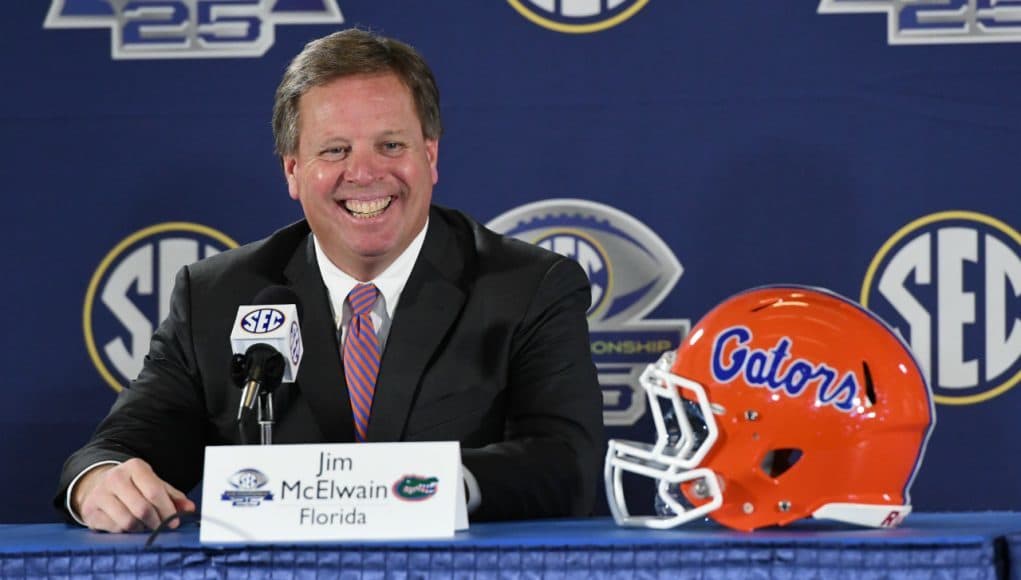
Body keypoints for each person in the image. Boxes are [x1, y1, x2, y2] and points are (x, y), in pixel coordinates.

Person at [56, 27, 604, 532]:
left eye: (391, 145)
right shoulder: (218, 297)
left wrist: (418, 490)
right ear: (293, 170)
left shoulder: (528, 287)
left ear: (430, 156)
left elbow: (567, 464)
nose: (364, 173)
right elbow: (119, 448)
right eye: (334, 150)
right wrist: (101, 483)